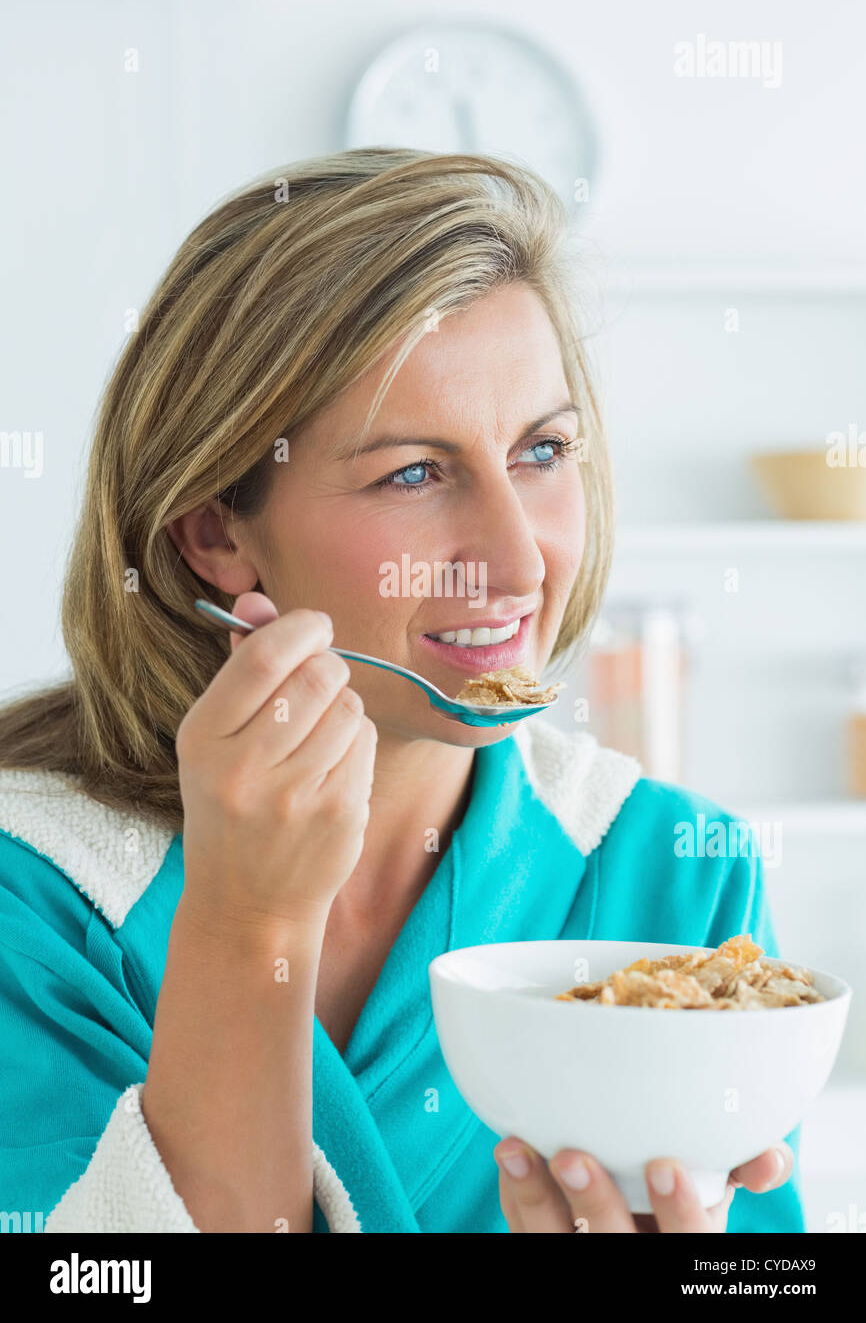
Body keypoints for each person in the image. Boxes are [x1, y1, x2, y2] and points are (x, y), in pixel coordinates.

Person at [0, 149, 803, 1233]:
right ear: (214, 536)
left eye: (542, 451)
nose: (517, 563)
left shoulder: (672, 880)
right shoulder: (40, 898)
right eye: (413, 475)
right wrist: (247, 924)